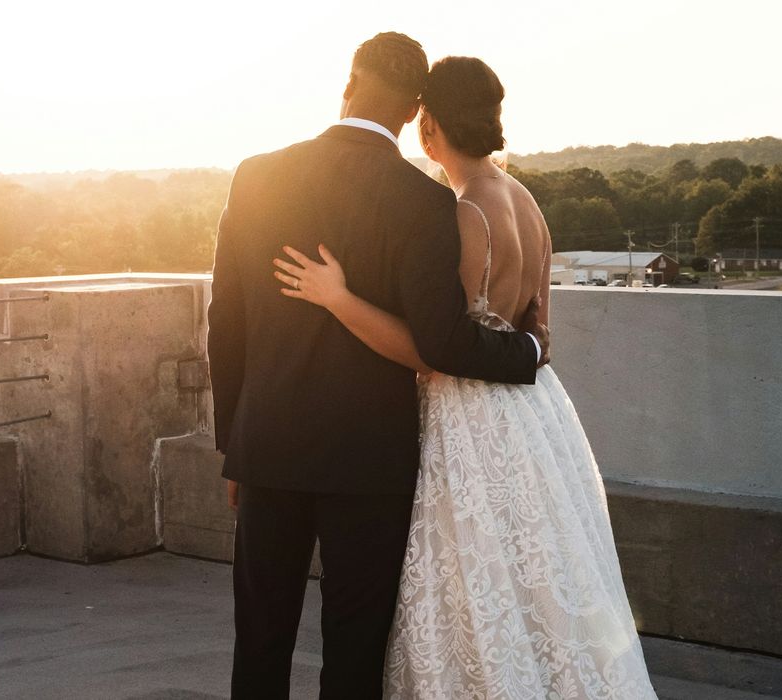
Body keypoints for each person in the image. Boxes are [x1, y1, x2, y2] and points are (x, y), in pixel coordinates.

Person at [274, 56, 658, 698]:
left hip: (467, 414)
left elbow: (437, 350)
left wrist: (338, 298)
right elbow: (541, 332)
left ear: (428, 128)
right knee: (536, 575)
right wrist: (527, 348)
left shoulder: (463, 213)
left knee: (469, 573)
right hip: (534, 415)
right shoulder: (526, 202)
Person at [207, 33, 548, 699]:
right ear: (413, 108)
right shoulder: (421, 200)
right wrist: (529, 351)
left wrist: (233, 445)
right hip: (369, 461)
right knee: (356, 645)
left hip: (267, 447)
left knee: (261, 637)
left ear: (348, 82)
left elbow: (226, 323)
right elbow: (443, 342)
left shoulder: (256, 174)